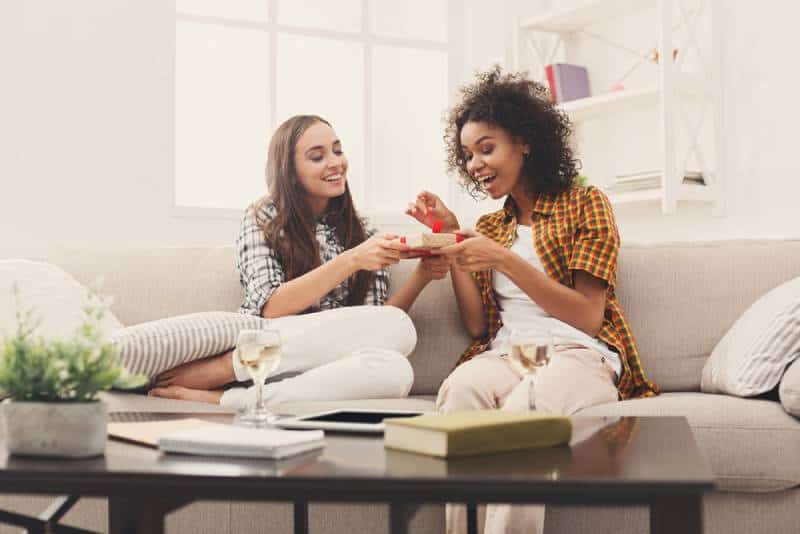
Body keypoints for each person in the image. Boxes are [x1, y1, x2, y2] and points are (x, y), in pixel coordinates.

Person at [405, 67, 660, 534]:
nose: (475, 164)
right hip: (508, 353)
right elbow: (478, 326)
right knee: (460, 391)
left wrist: (503, 260)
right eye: (467, 154)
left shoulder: (586, 203)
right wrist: (455, 239)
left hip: (578, 355)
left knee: (526, 408)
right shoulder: (491, 227)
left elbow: (587, 316)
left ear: (524, 142)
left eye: (487, 148)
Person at [150, 115, 450, 407]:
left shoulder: (363, 231)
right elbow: (271, 307)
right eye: (317, 157)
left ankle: (228, 400)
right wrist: (352, 260)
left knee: (398, 371)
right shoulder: (264, 217)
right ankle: (224, 369)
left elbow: (377, 327)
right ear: (290, 171)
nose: (335, 162)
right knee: (397, 327)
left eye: (337, 150)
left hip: (326, 372)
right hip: (269, 353)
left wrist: (421, 275)